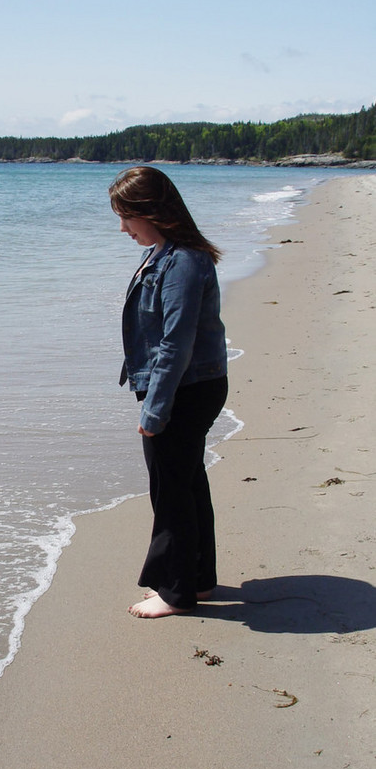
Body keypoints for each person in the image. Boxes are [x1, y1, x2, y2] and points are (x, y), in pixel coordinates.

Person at [109, 166, 228, 618]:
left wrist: (155, 412)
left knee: (172, 490)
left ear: (152, 212)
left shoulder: (182, 261)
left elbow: (174, 344)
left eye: (126, 218)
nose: (122, 229)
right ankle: (197, 578)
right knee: (188, 482)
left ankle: (176, 592)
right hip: (192, 384)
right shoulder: (170, 252)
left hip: (183, 388)